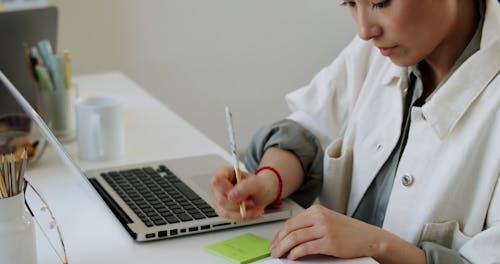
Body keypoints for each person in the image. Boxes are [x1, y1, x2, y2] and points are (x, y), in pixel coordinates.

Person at [211, 0, 499, 263]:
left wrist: (377, 245)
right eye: (349, 2)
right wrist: (268, 182)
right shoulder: (376, 52)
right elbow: (310, 129)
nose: (364, 30)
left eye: (381, 2)